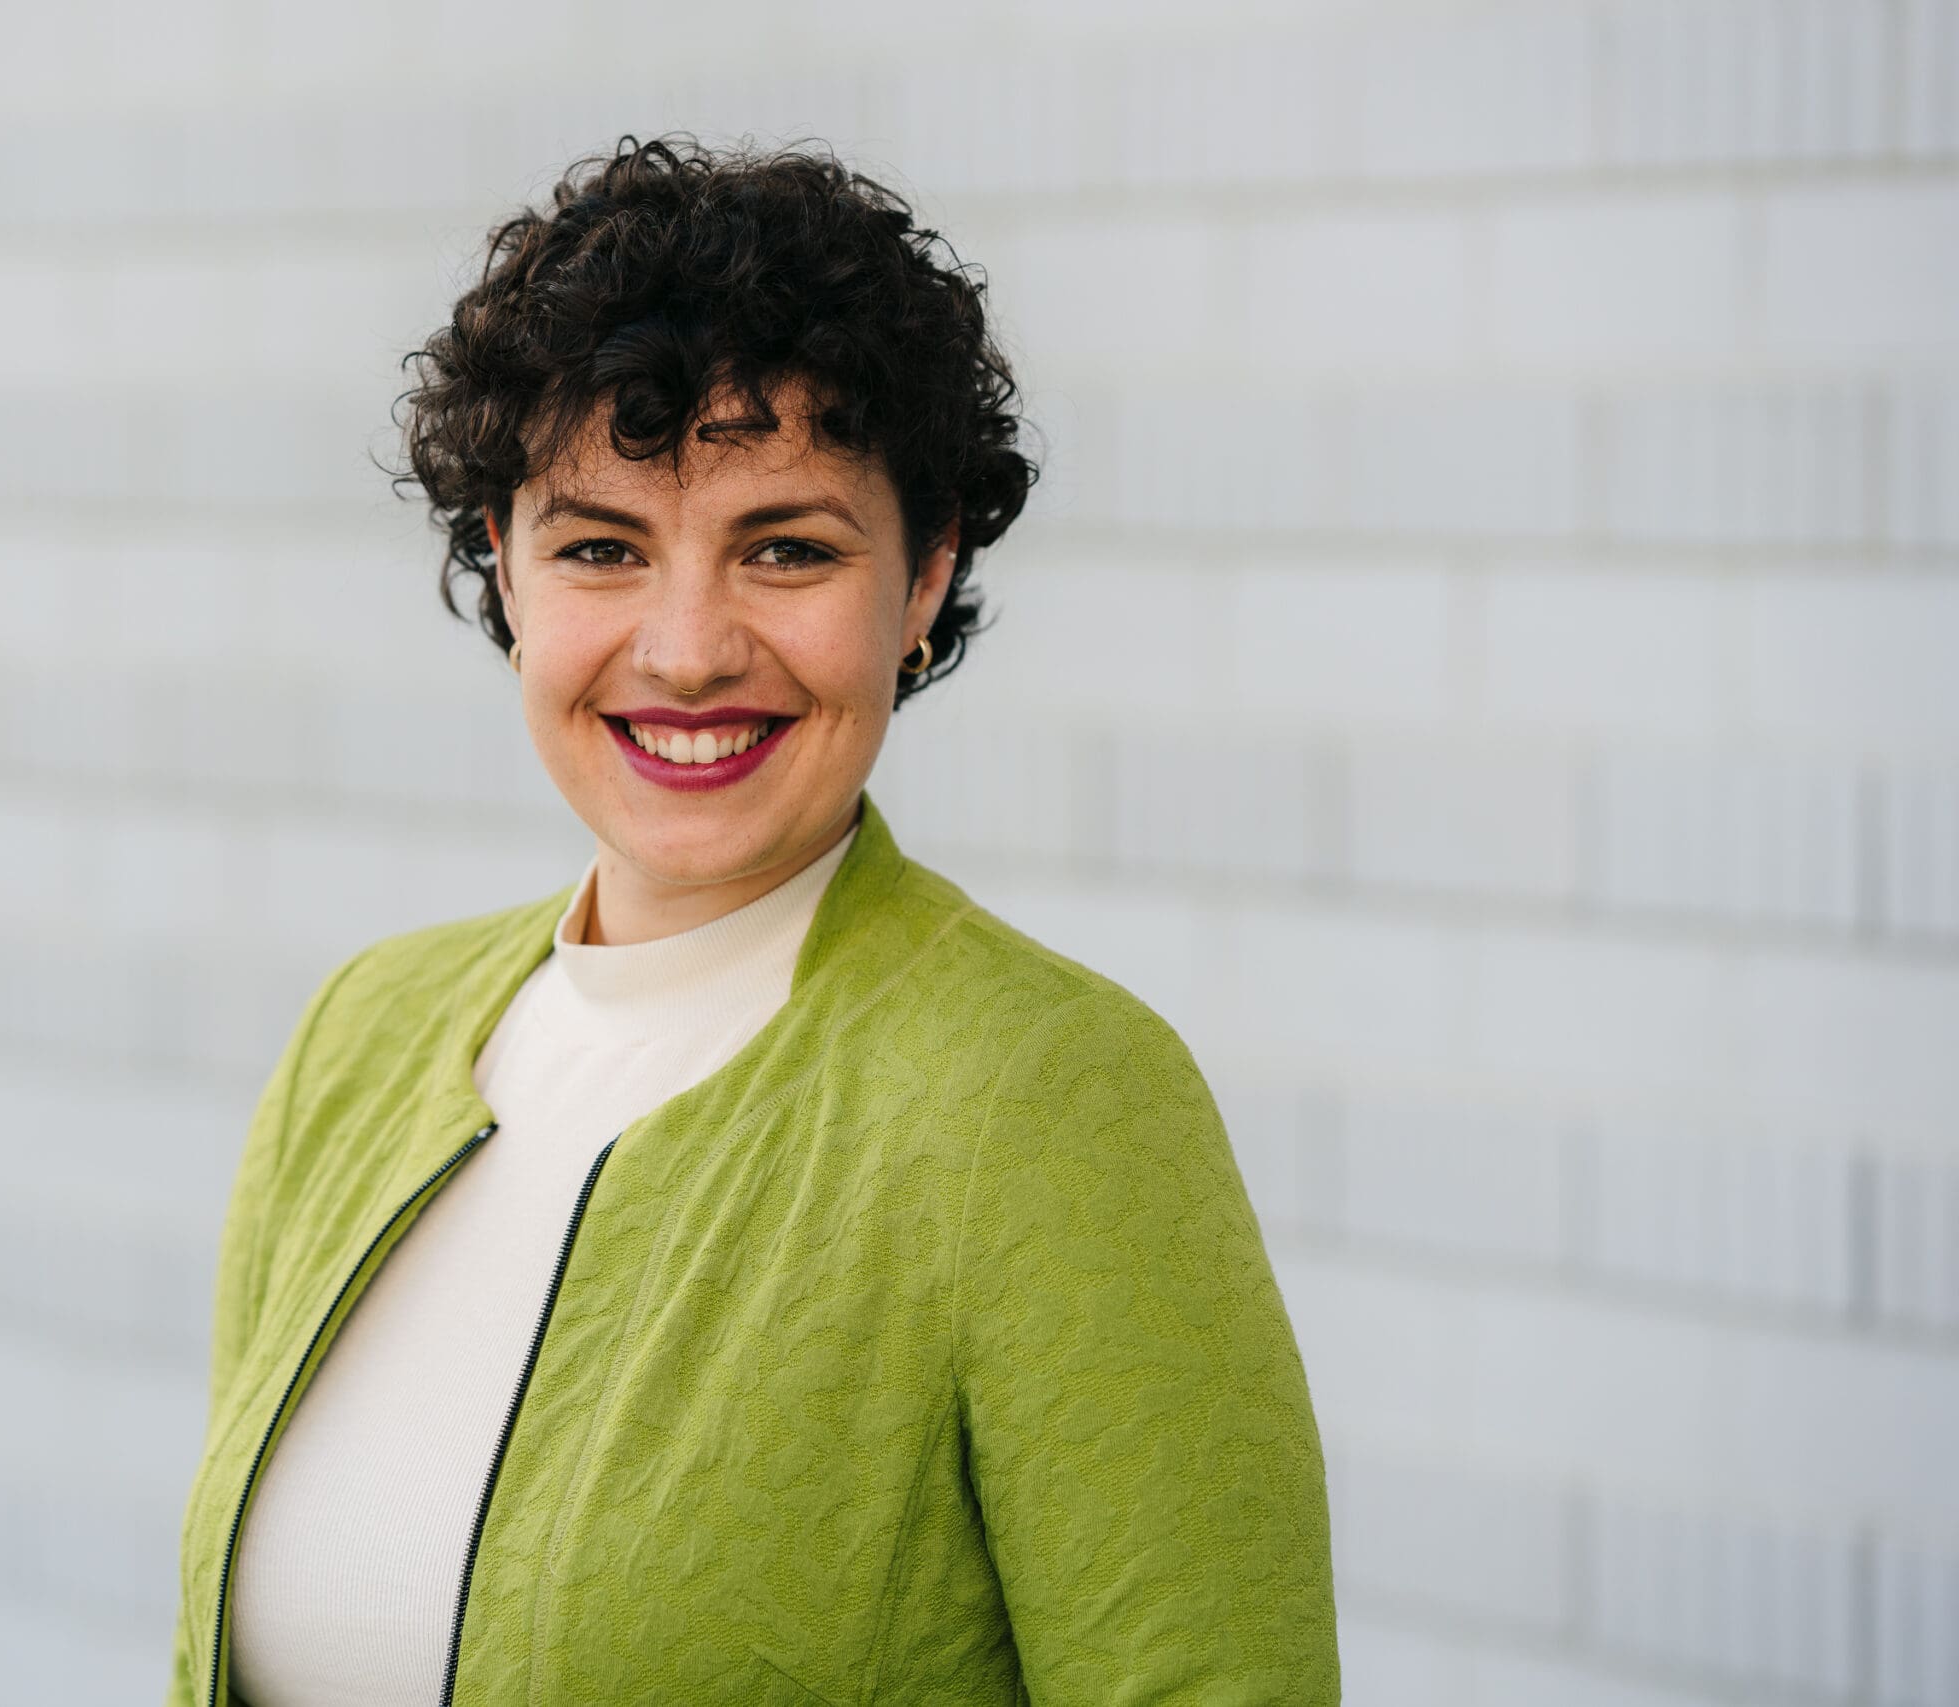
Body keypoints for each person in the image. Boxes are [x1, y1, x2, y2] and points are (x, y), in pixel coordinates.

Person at [165, 134, 1337, 1707]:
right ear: (503, 571)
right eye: (601, 547)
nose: (688, 649)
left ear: (922, 580)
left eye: (786, 548)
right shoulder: (360, 1039)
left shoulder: (1051, 1103)